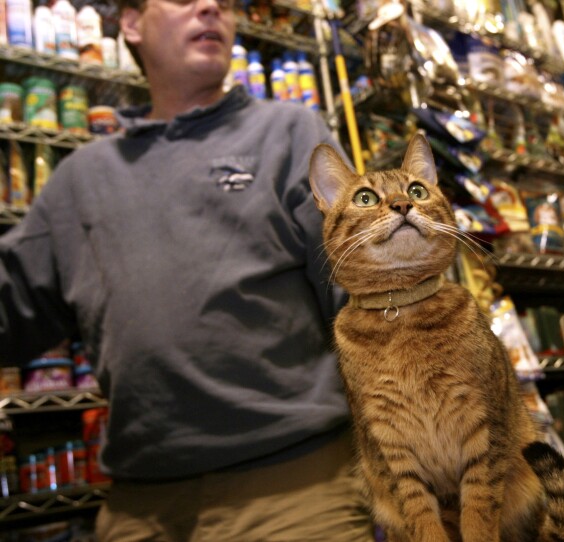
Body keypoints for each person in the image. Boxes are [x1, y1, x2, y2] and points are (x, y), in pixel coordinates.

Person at [0, 0, 374, 538]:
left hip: (295, 491)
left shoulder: (290, 133)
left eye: (223, 3)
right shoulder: (80, 179)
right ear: (130, 24)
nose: (210, 7)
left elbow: (366, 294)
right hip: (139, 504)